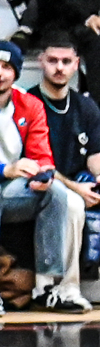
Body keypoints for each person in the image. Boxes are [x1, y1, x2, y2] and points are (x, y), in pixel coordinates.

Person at [0, 39, 78, 313]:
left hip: (13, 189)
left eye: (6, 67)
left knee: (56, 191)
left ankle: (47, 286)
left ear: (16, 73)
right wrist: (4, 169)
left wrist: (43, 175)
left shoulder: (30, 104)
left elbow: (43, 156)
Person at [24, 38, 100, 312]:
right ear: (40, 61)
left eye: (66, 61)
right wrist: (76, 188)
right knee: (71, 202)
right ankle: (66, 288)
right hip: (35, 183)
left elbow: (95, 155)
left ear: (76, 64)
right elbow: (35, 163)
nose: (59, 68)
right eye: (53, 60)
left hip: (77, 181)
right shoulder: (28, 103)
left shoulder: (86, 107)